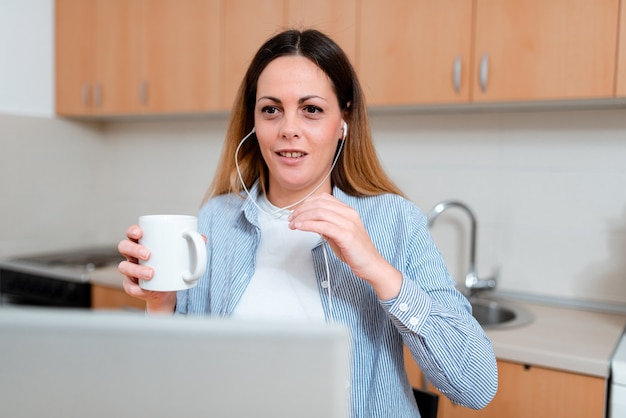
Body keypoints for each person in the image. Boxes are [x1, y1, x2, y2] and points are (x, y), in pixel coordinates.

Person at [118, 28, 497, 417]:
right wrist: (162, 306)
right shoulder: (218, 219)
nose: (288, 129)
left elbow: (477, 385)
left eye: (311, 109)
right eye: (271, 109)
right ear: (253, 121)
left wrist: (377, 270)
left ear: (343, 120)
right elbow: (184, 380)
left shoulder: (394, 220)